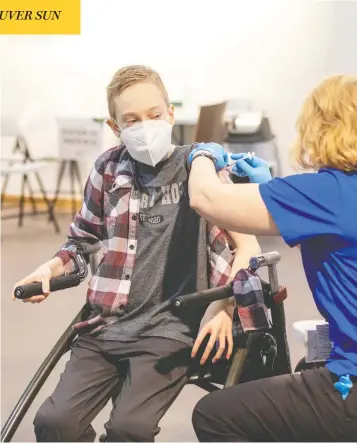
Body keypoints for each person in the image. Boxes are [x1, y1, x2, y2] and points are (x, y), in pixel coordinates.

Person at [187, 74, 357, 441]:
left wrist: (201, 153)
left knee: (216, 415)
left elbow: (206, 199)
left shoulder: (331, 193)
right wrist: (273, 184)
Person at [12, 65, 260, 442]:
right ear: (115, 127)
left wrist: (224, 307)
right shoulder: (108, 169)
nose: (145, 126)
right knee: (54, 422)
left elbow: (248, 246)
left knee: (131, 428)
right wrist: (49, 269)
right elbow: (82, 241)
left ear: (170, 114)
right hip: (105, 325)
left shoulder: (199, 166)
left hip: (170, 330)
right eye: (132, 120)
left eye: (154, 115)